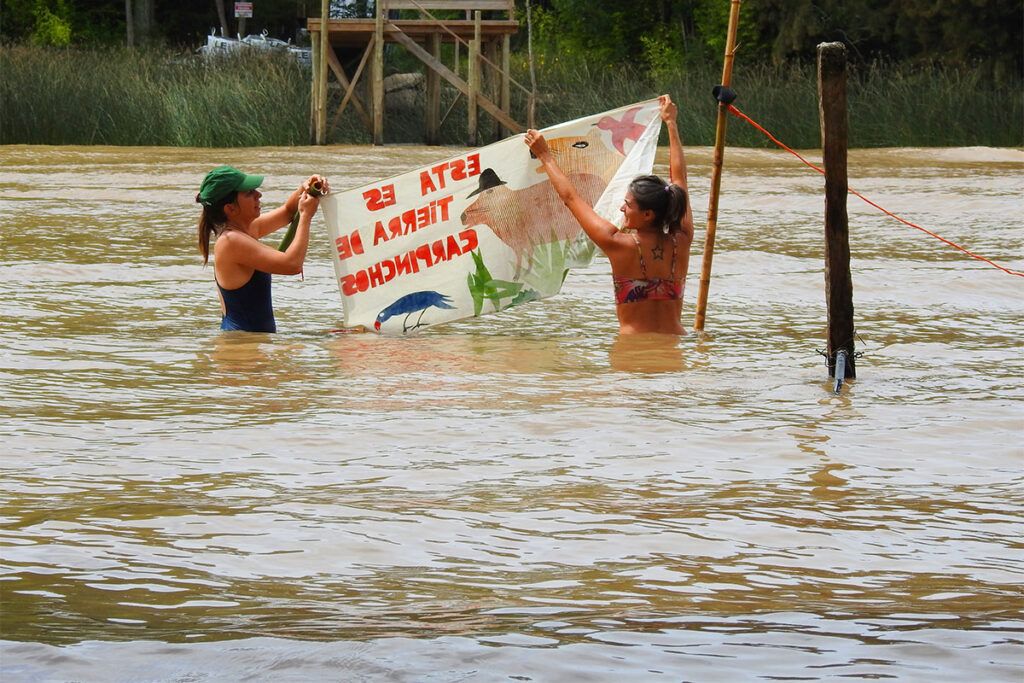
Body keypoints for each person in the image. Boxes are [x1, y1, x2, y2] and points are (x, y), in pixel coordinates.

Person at [525, 94, 694, 335]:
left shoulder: (617, 244)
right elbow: (680, 180)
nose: (621, 208)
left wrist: (545, 156)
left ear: (647, 214)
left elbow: (571, 198)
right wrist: (671, 124)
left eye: (627, 204)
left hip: (632, 350)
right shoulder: (683, 240)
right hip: (676, 346)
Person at [195, 166, 329, 332]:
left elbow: (288, 211)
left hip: (249, 345)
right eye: (249, 193)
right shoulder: (231, 242)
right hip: (242, 347)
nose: (259, 195)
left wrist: (307, 186)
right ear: (230, 208)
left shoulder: (245, 230)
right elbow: (292, 264)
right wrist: (306, 216)